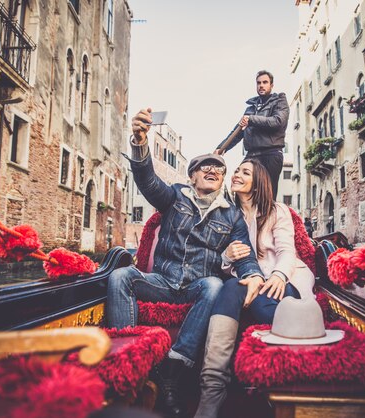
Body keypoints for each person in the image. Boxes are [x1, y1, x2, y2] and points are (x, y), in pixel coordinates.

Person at [108, 108, 264, 418]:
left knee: (214, 285)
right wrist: (140, 143)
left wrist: (254, 276)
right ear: (191, 176)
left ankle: (172, 374)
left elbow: (244, 253)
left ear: (221, 180)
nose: (212, 169)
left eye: (218, 168)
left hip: (197, 286)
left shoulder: (231, 216)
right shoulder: (175, 197)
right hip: (163, 282)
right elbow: (148, 180)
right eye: (204, 166)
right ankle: (127, 362)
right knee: (120, 276)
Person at [194, 159, 315, 418]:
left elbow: (286, 251)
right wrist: (227, 256)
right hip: (246, 279)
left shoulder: (277, 211)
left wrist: (279, 276)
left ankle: (283, 384)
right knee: (228, 289)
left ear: (257, 182)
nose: (236, 174)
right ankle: (211, 392)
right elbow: (223, 265)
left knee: (262, 302)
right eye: (236, 170)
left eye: (244, 172)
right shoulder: (226, 213)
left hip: (283, 276)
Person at [214, 70, 289, 199]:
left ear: (271, 85)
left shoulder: (279, 101)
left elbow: (278, 122)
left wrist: (252, 119)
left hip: (270, 154)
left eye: (265, 82)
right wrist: (221, 148)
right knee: (241, 189)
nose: (261, 85)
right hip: (252, 155)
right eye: (258, 83)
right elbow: (237, 132)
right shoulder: (251, 107)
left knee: (267, 194)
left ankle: (268, 218)